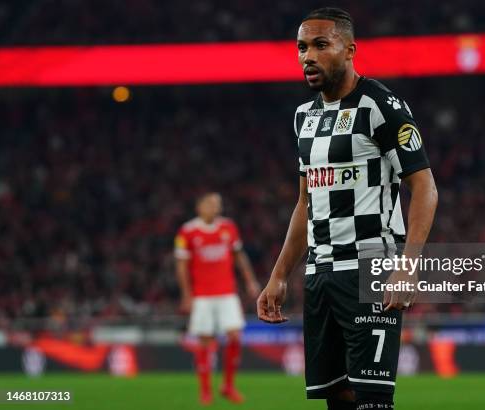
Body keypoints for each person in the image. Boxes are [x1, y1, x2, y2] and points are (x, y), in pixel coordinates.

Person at [257, 8, 438, 410]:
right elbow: (305, 203)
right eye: (302, 47)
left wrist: (407, 266)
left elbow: (424, 187)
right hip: (320, 276)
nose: (308, 56)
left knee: (372, 402)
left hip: (368, 270)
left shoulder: (382, 105)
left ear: (350, 49)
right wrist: (279, 275)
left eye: (321, 45)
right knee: (337, 400)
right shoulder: (304, 118)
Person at [175, 192, 260, 405]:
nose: (216, 207)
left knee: (235, 336)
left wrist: (250, 281)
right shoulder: (188, 231)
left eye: (218, 204)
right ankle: (205, 390)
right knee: (204, 340)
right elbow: (181, 266)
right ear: (200, 207)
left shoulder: (228, 227)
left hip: (227, 292)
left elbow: (239, 255)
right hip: (202, 295)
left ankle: (228, 386)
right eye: (211, 203)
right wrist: (186, 293)